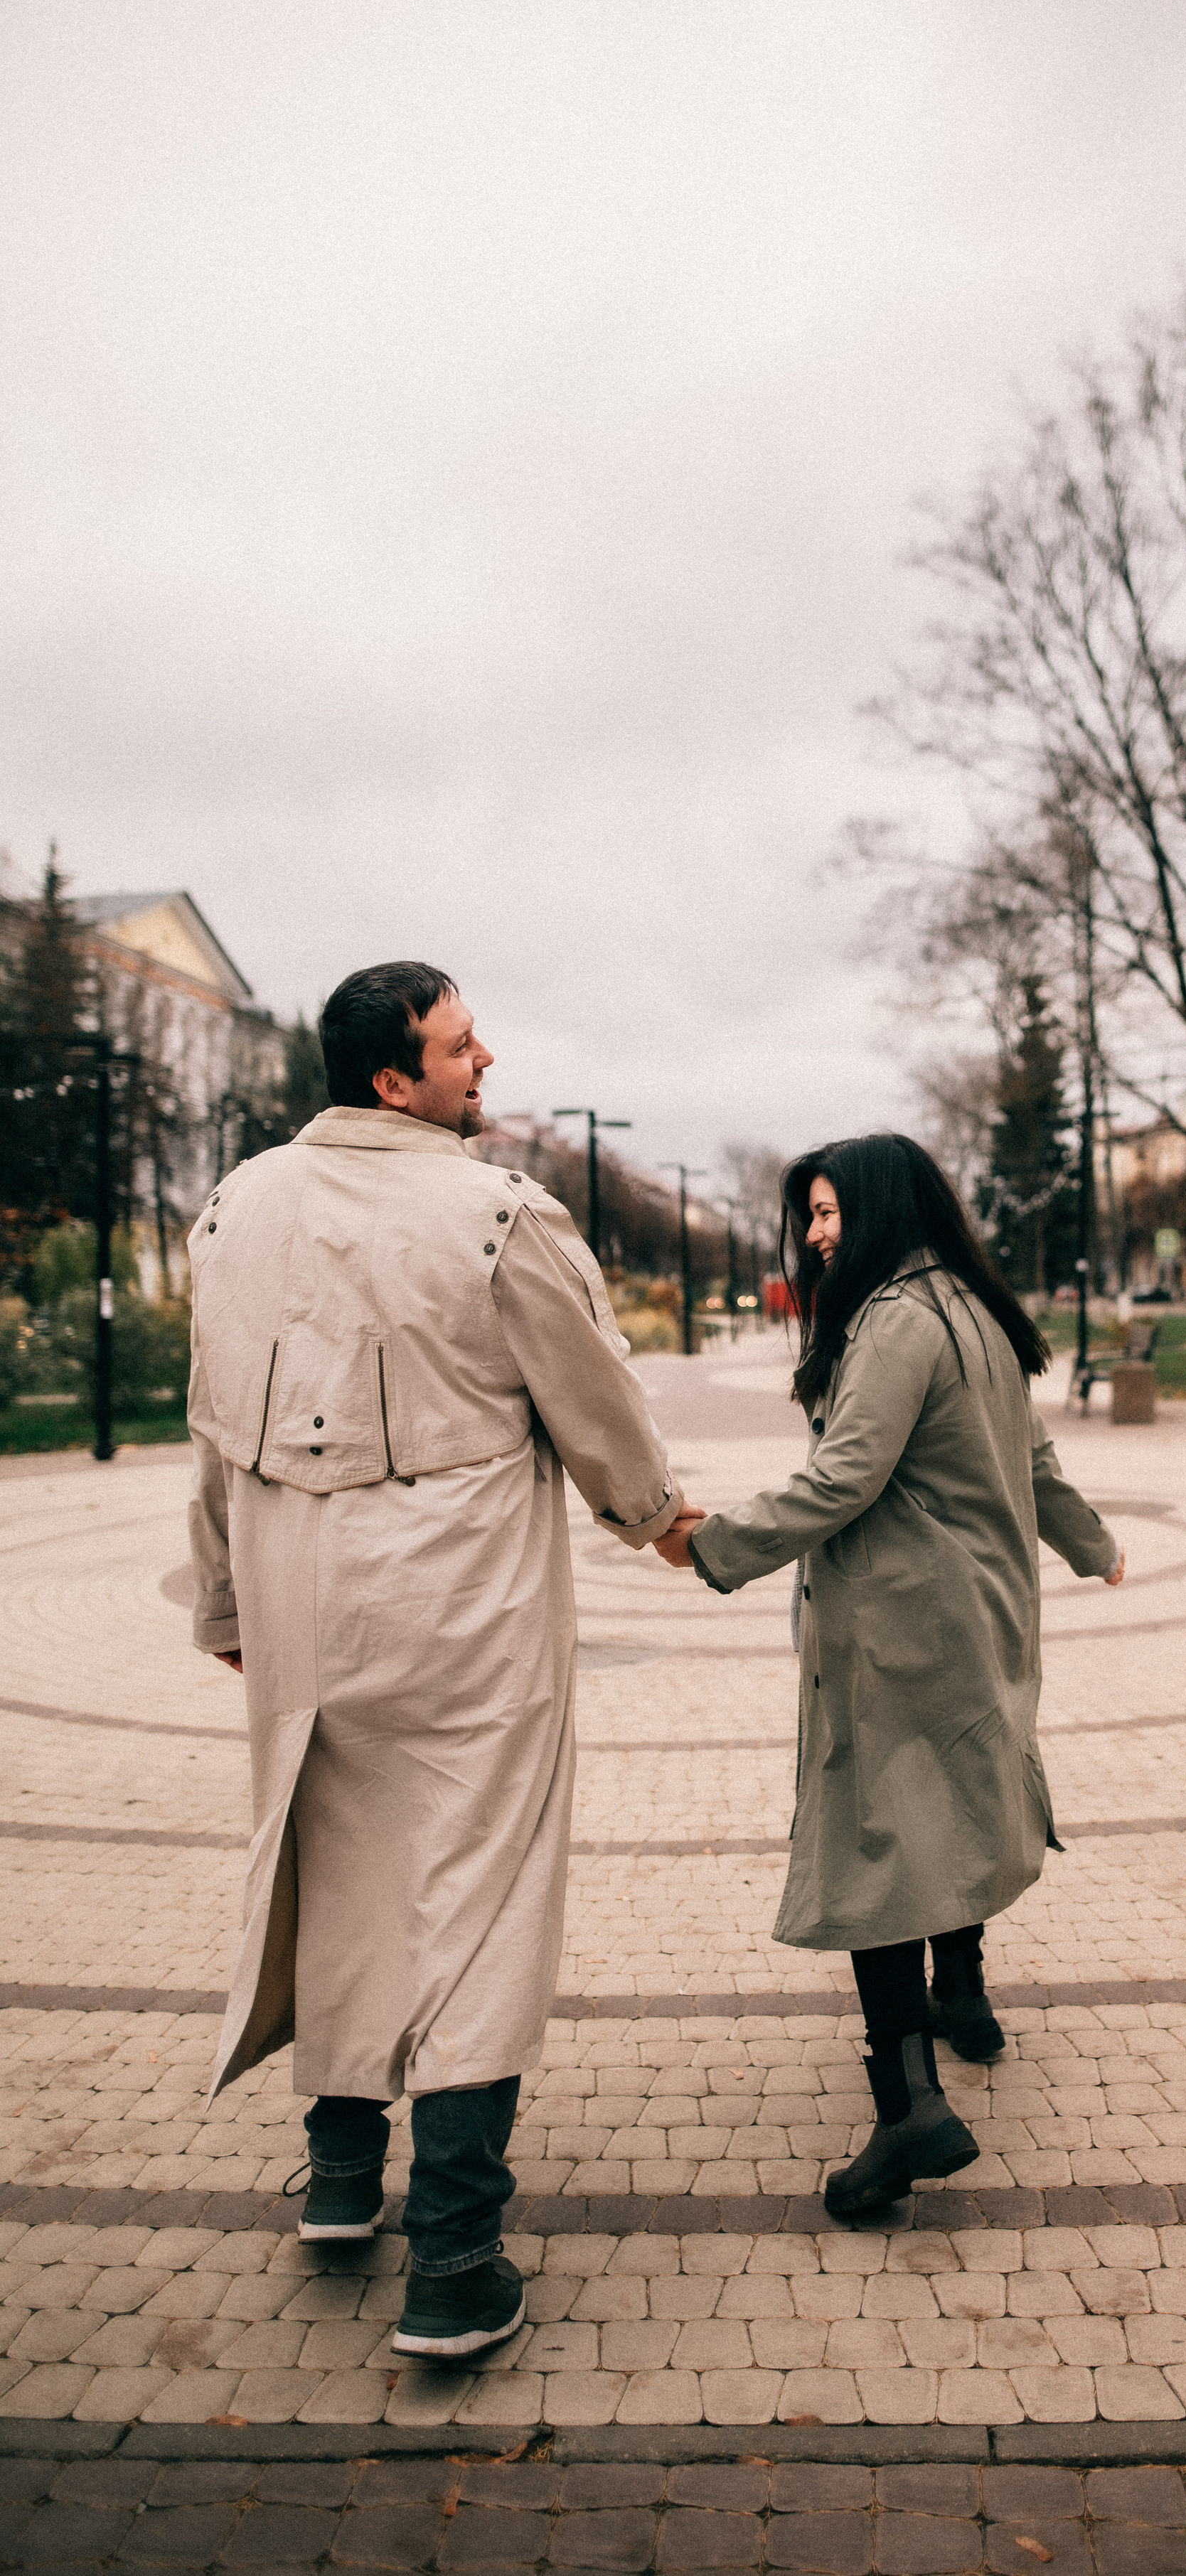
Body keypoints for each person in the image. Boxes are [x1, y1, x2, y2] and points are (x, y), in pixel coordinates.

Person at [186, 962, 698, 2360]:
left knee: (336, 1872)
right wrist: (658, 1519)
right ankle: (456, 2257)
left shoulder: (233, 1206)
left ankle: (344, 2182)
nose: (489, 1058)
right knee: (475, 1899)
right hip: (463, 1611)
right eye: (462, 1045)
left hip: (299, 1596)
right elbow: (595, 1401)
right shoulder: (499, 1216)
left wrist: (227, 1600)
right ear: (394, 1078)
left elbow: (211, 1425)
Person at [656, 1132, 1124, 2216]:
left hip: (902, 1622)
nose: (816, 1238)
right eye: (809, 1218)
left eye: (828, 1216)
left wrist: (714, 1543)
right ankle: (961, 1998)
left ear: (878, 1212)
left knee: (875, 1841)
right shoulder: (975, 1308)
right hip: (982, 1614)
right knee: (952, 1800)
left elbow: (845, 1476)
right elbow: (1035, 1461)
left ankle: (909, 2108)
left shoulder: (898, 1320)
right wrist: (1090, 1545)